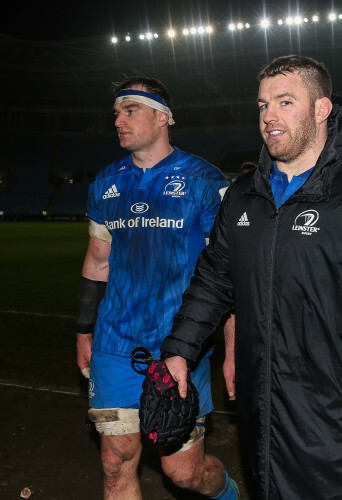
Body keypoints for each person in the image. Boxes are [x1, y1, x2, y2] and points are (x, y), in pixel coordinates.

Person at [160, 55, 342, 499]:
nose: (269, 116)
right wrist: (180, 350)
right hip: (262, 426)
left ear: (322, 110)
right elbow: (213, 281)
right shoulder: (243, 197)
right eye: (262, 105)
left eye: (285, 102)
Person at [75, 76, 239, 500]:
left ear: (162, 117)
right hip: (115, 343)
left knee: (183, 473)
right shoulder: (105, 184)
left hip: (181, 347)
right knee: (115, 462)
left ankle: (227, 494)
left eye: (130, 110)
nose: (118, 120)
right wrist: (83, 332)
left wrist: (233, 350)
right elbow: (97, 263)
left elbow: (226, 276)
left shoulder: (205, 182)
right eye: (116, 113)